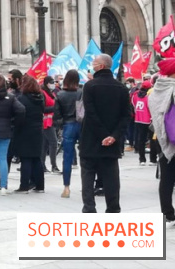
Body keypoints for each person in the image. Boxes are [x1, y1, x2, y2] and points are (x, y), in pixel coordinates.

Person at [79, 54, 131, 213]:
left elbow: (91, 114)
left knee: (88, 176)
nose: (92, 66)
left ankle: (89, 209)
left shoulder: (90, 86)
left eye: (94, 63)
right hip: (112, 142)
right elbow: (126, 116)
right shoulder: (122, 88)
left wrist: (103, 135)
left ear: (101, 66)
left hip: (91, 139)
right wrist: (113, 136)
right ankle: (113, 209)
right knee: (111, 178)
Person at [148, 64, 175, 228]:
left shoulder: (156, 89)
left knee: (166, 177)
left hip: (162, 137)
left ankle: (167, 212)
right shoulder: (172, 88)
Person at [12, 75, 46, 193]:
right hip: (38, 130)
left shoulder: (22, 98)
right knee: (37, 158)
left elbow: (19, 114)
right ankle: (40, 186)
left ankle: (24, 185)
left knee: (25, 158)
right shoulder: (41, 97)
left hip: (25, 129)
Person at [55, 69, 82, 198]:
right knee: (87, 156)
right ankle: (88, 183)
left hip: (68, 125)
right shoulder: (81, 93)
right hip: (81, 124)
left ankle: (66, 187)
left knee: (67, 157)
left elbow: (57, 115)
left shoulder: (60, 94)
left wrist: (62, 124)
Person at [131, 80, 154, 165]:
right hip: (148, 120)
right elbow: (150, 107)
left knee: (141, 139)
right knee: (152, 140)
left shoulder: (135, 95)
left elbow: (133, 105)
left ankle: (142, 159)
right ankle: (152, 159)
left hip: (138, 119)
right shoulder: (149, 96)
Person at [41, 77, 60, 174]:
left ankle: (42, 165)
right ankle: (54, 166)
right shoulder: (43, 93)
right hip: (46, 121)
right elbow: (43, 109)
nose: (53, 84)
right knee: (53, 142)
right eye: (52, 82)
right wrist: (55, 108)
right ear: (47, 83)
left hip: (51, 120)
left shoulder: (51, 93)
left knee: (45, 144)